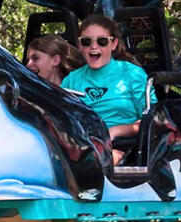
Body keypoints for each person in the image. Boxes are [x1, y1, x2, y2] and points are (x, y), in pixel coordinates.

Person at [61, 14, 157, 165]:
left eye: (102, 41)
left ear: (113, 44)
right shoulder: (71, 80)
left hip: (125, 147)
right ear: (79, 46)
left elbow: (151, 120)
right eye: (86, 41)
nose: (94, 46)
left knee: (101, 159)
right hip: (82, 146)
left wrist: (113, 132)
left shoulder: (132, 74)